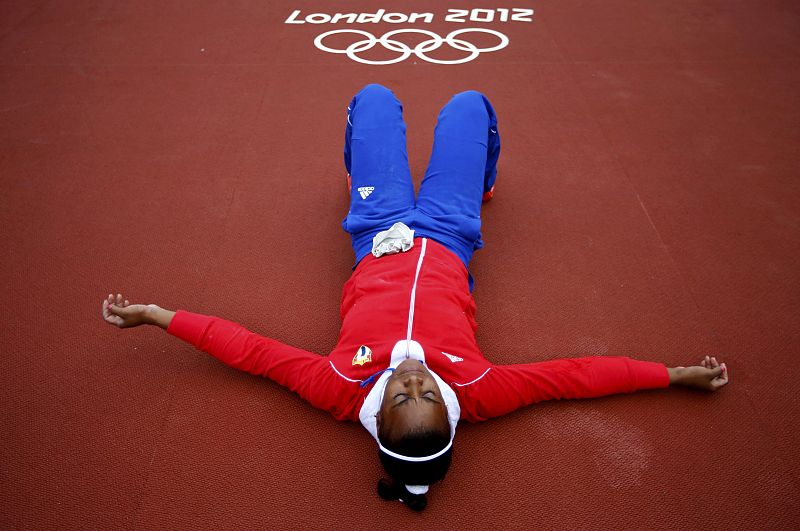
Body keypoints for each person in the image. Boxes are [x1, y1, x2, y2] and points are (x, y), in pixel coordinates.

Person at [101, 84, 729, 511]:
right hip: (452, 229)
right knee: (468, 104)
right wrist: (671, 376)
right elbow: (575, 377)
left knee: (372, 99)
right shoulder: (482, 390)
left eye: (403, 395)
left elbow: (249, 350)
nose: (413, 377)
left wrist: (158, 316)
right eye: (428, 393)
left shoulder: (338, 387)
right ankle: (481, 181)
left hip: (379, 228)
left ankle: (361, 176)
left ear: (380, 419)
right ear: (450, 411)